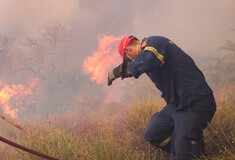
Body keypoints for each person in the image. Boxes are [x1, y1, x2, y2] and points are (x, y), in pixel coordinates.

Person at [107, 35, 216, 160]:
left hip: (195, 103)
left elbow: (147, 61)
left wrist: (118, 71)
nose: (131, 63)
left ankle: (185, 150)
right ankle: (192, 150)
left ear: (128, 51)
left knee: (180, 153)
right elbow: (145, 63)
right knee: (153, 134)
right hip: (177, 106)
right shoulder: (147, 54)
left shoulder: (154, 43)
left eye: (129, 60)